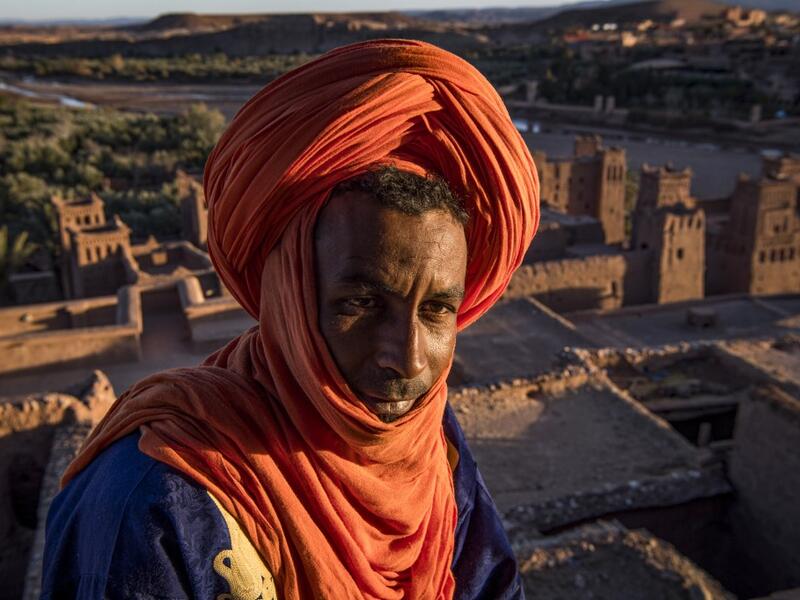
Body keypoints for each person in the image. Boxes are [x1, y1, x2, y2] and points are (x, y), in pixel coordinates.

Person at [41, 39, 539, 599]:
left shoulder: (432, 450)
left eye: (436, 310)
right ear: (290, 297)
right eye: (361, 304)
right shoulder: (154, 497)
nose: (407, 357)